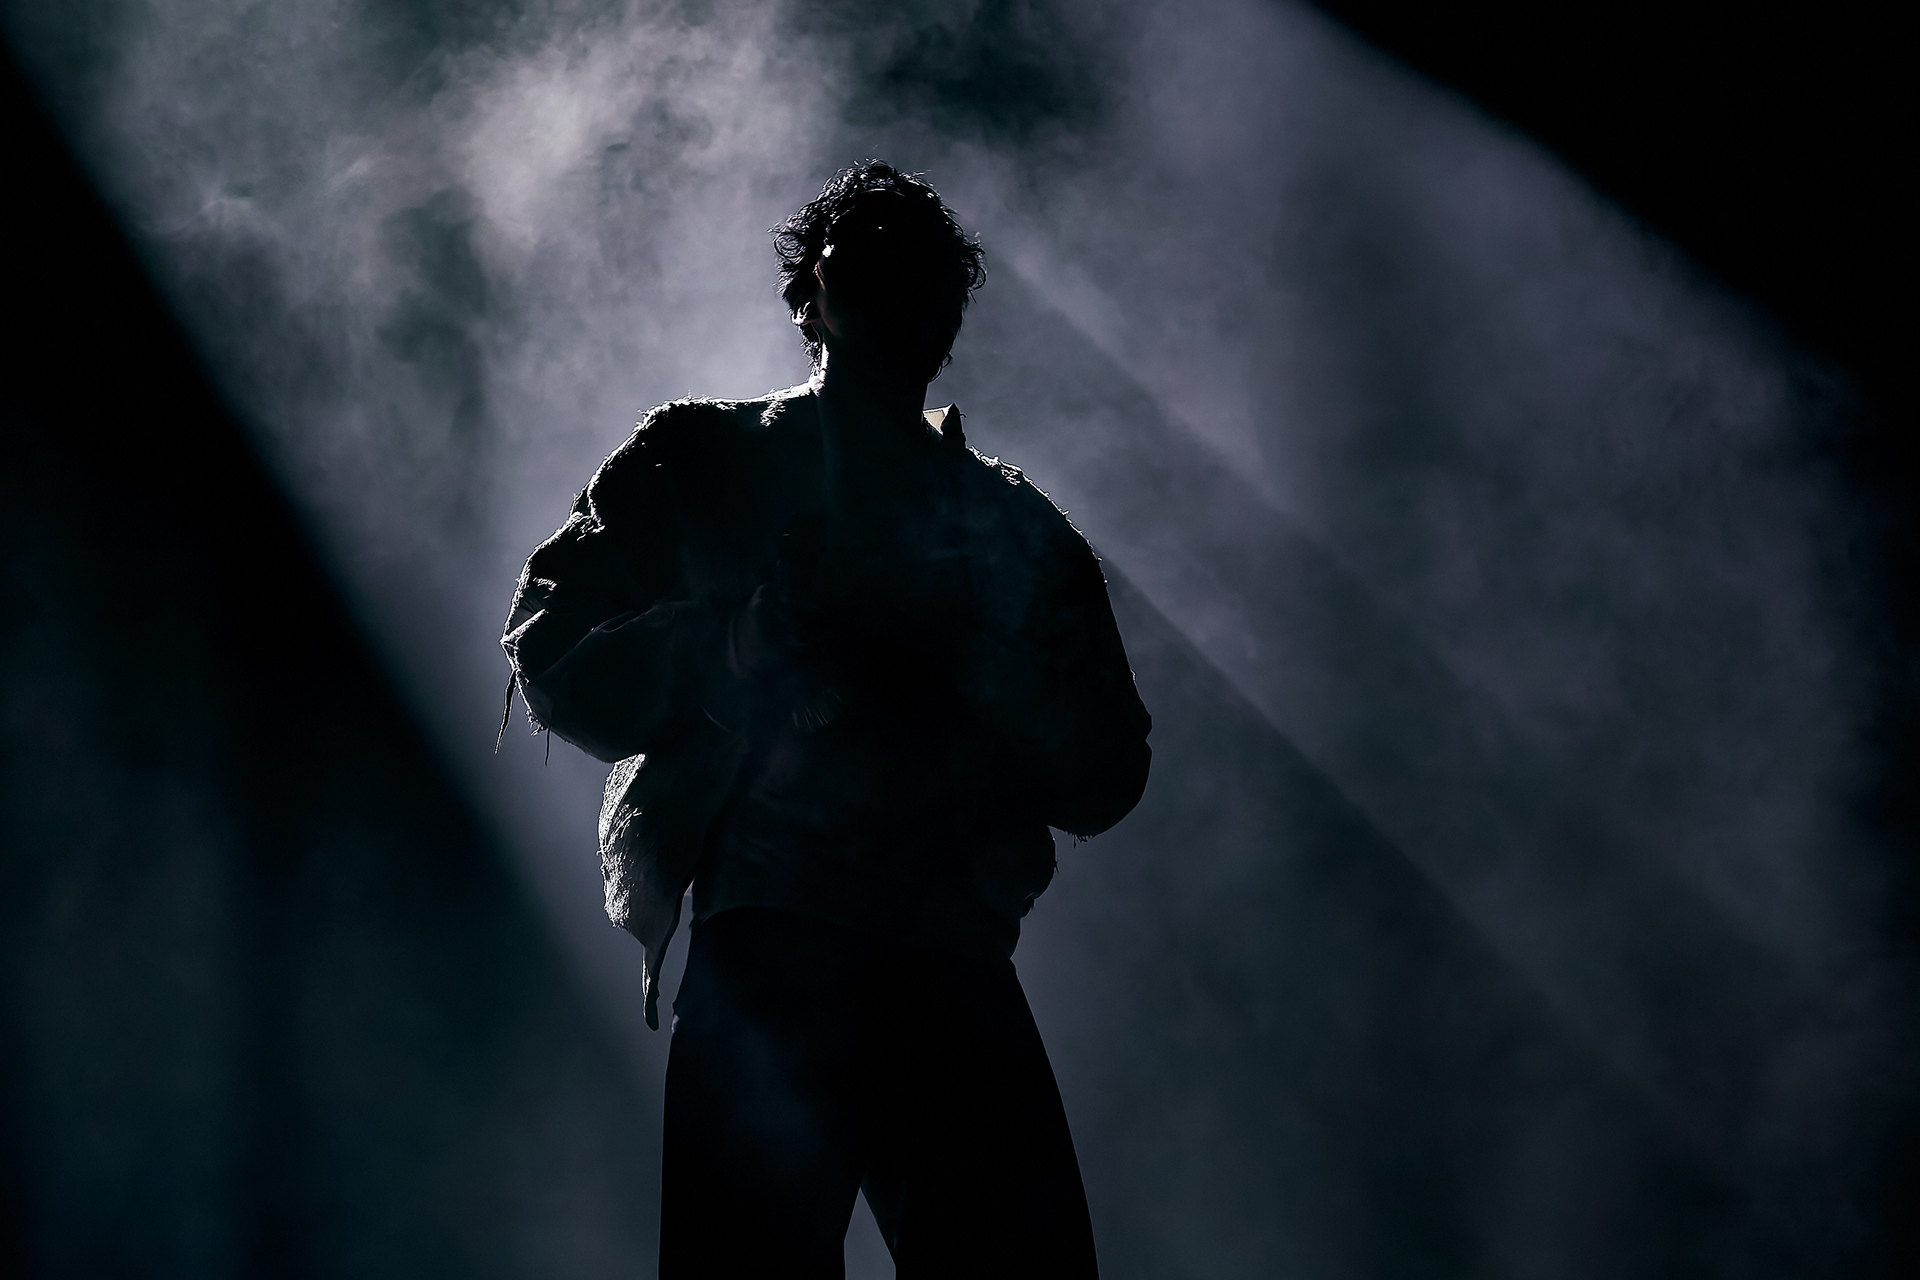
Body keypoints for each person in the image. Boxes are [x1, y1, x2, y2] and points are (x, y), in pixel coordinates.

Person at [501, 161, 1152, 1278]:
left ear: (949, 314)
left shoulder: (1014, 529)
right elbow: (550, 642)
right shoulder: (701, 460)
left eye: (922, 264)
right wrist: (736, 644)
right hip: (774, 949)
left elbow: (1108, 766)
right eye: (866, 252)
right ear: (807, 294)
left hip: (948, 959)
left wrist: (981, 668)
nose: (897, 274)